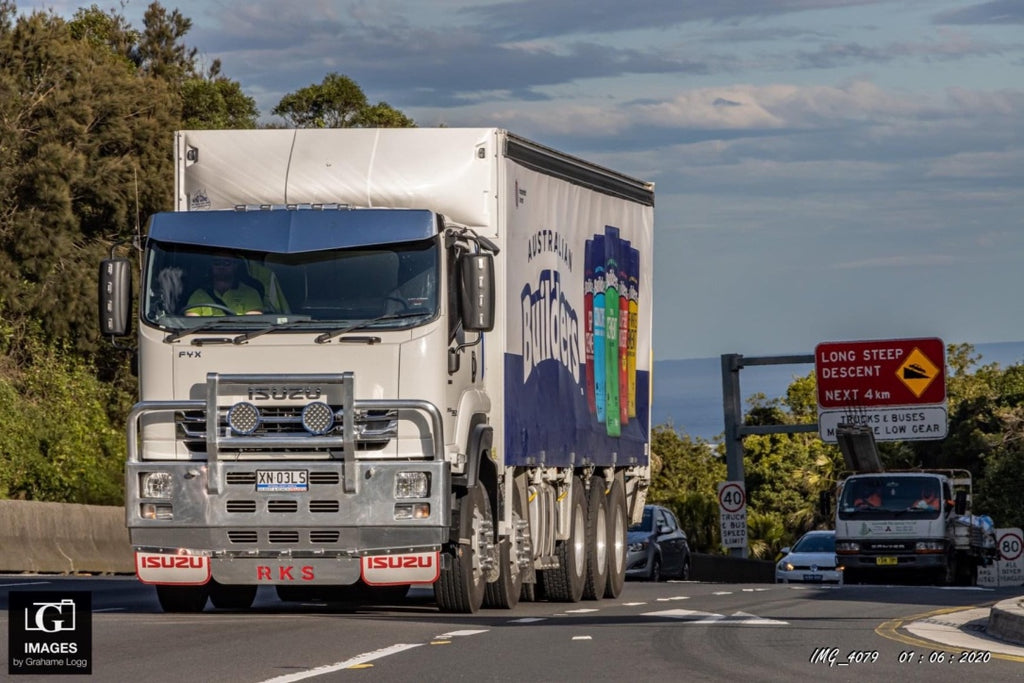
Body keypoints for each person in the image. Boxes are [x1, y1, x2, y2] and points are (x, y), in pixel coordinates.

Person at [185, 253, 263, 316]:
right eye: (217, 263)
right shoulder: (199, 294)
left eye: (226, 263)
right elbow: (191, 320)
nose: (221, 267)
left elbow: (253, 322)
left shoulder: (250, 293)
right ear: (211, 266)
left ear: (235, 265)